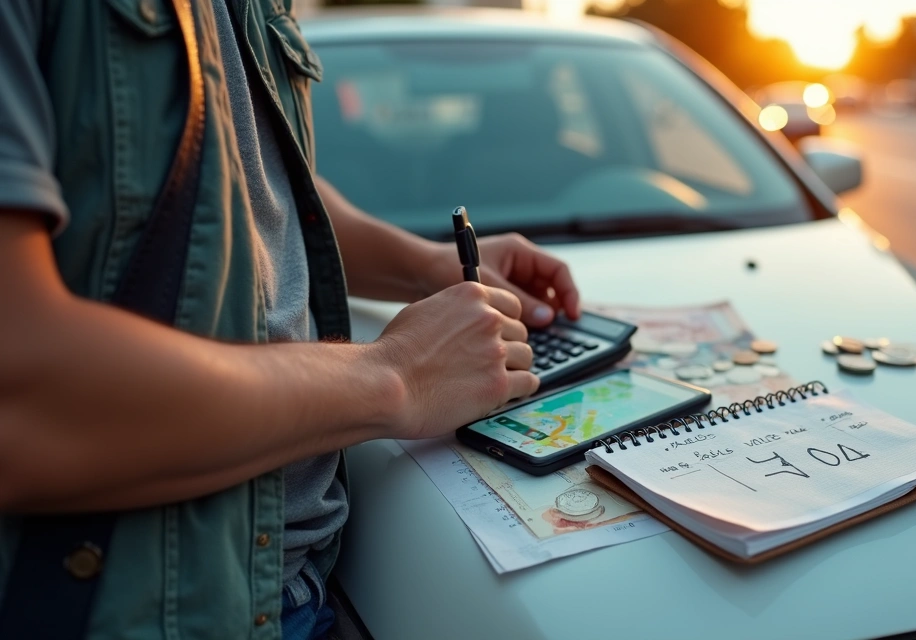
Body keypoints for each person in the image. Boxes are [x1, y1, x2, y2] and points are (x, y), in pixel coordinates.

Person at [0, 1, 578, 638]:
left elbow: (252, 180)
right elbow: (20, 401)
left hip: (300, 586)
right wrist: (397, 376)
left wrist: (426, 264)